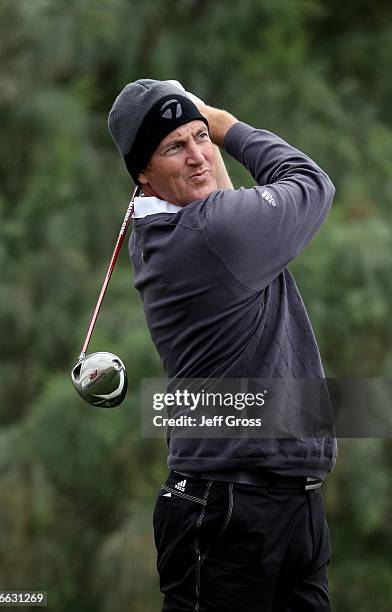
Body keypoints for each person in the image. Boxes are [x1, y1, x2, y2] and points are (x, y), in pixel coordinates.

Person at [108, 79, 337, 612]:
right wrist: (222, 122)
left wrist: (204, 140)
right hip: (228, 509)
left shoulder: (181, 227)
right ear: (143, 174)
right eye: (175, 147)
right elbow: (311, 181)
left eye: (199, 138)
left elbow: (222, 195)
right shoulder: (215, 234)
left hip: (283, 504)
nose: (196, 156)